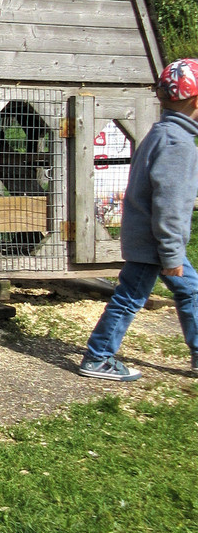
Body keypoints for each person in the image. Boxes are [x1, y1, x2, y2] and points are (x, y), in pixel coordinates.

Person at [79, 58, 198, 381]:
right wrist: (171, 254)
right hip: (156, 243)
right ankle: (97, 357)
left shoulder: (161, 133)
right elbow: (169, 204)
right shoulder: (179, 143)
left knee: (191, 290)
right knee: (130, 298)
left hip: (149, 236)